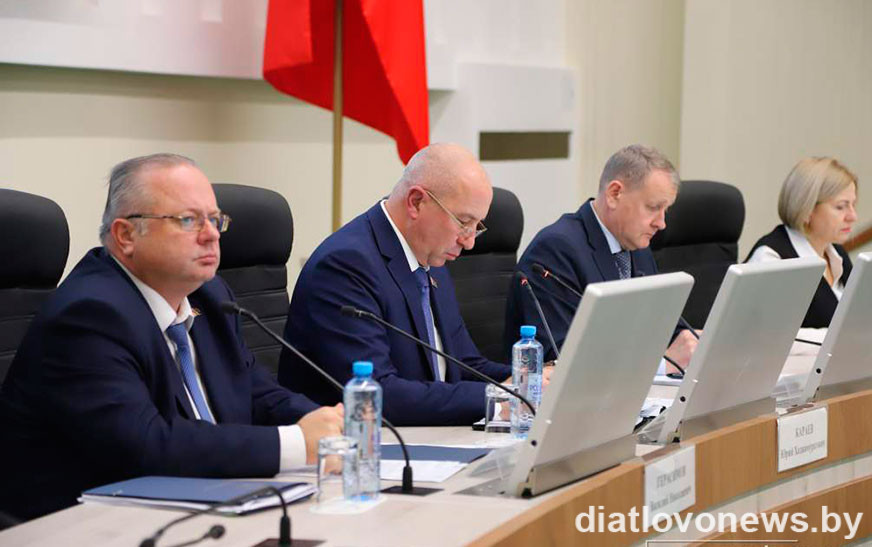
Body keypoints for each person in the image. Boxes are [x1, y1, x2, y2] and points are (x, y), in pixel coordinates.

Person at [0, 154, 343, 521]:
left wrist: (329, 426)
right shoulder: (88, 315)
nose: (211, 234)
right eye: (188, 220)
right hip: (83, 523)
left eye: (215, 220)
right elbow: (146, 446)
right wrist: (296, 443)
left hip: (197, 503)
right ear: (126, 235)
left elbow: (256, 393)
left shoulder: (210, 297)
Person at [279, 143, 536, 426]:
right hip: (361, 442)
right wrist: (500, 398)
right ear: (416, 202)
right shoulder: (345, 266)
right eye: (463, 222)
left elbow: (463, 364)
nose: (470, 241)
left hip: (429, 434)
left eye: (477, 226)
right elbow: (379, 394)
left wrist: (530, 382)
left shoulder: (429, 256)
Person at [506, 144, 697, 371]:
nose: (661, 223)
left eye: (665, 210)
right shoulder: (556, 250)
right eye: (653, 207)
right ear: (614, 194)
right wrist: (661, 365)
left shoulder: (637, 246)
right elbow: (558, 356)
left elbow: (660, 327)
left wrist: (693, 342)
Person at [746, 157, 858, 328]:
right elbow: (765, 335)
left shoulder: (837, 254)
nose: (853, 216)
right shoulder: (772, 260)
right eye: (841, 206)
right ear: (807, 209)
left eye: (853, 205)